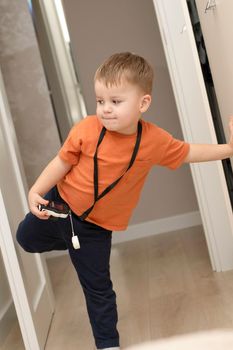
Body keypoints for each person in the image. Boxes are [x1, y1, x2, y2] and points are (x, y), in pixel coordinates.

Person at [16, 52, 233, 350]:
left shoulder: (153, 141)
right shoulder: (85, 130)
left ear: (143, 103)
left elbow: (187, 152)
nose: (105, 109)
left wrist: (228, 150)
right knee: (25, 238)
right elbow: (61, 162)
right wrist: (35, 191)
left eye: (115, 102)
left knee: (98, 289)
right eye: (100, 101)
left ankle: (108, 344)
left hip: (94, 228)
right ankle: (71, 241)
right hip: (59, 205)